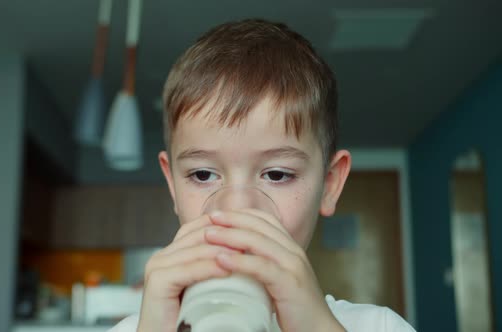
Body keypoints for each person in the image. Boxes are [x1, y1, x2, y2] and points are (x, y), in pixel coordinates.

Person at [109, 18, 416, 332]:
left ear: (329, 185)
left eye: (278, 175)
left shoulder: (379, 326)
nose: (238, 208)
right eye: (202, 174)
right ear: (173, 185)